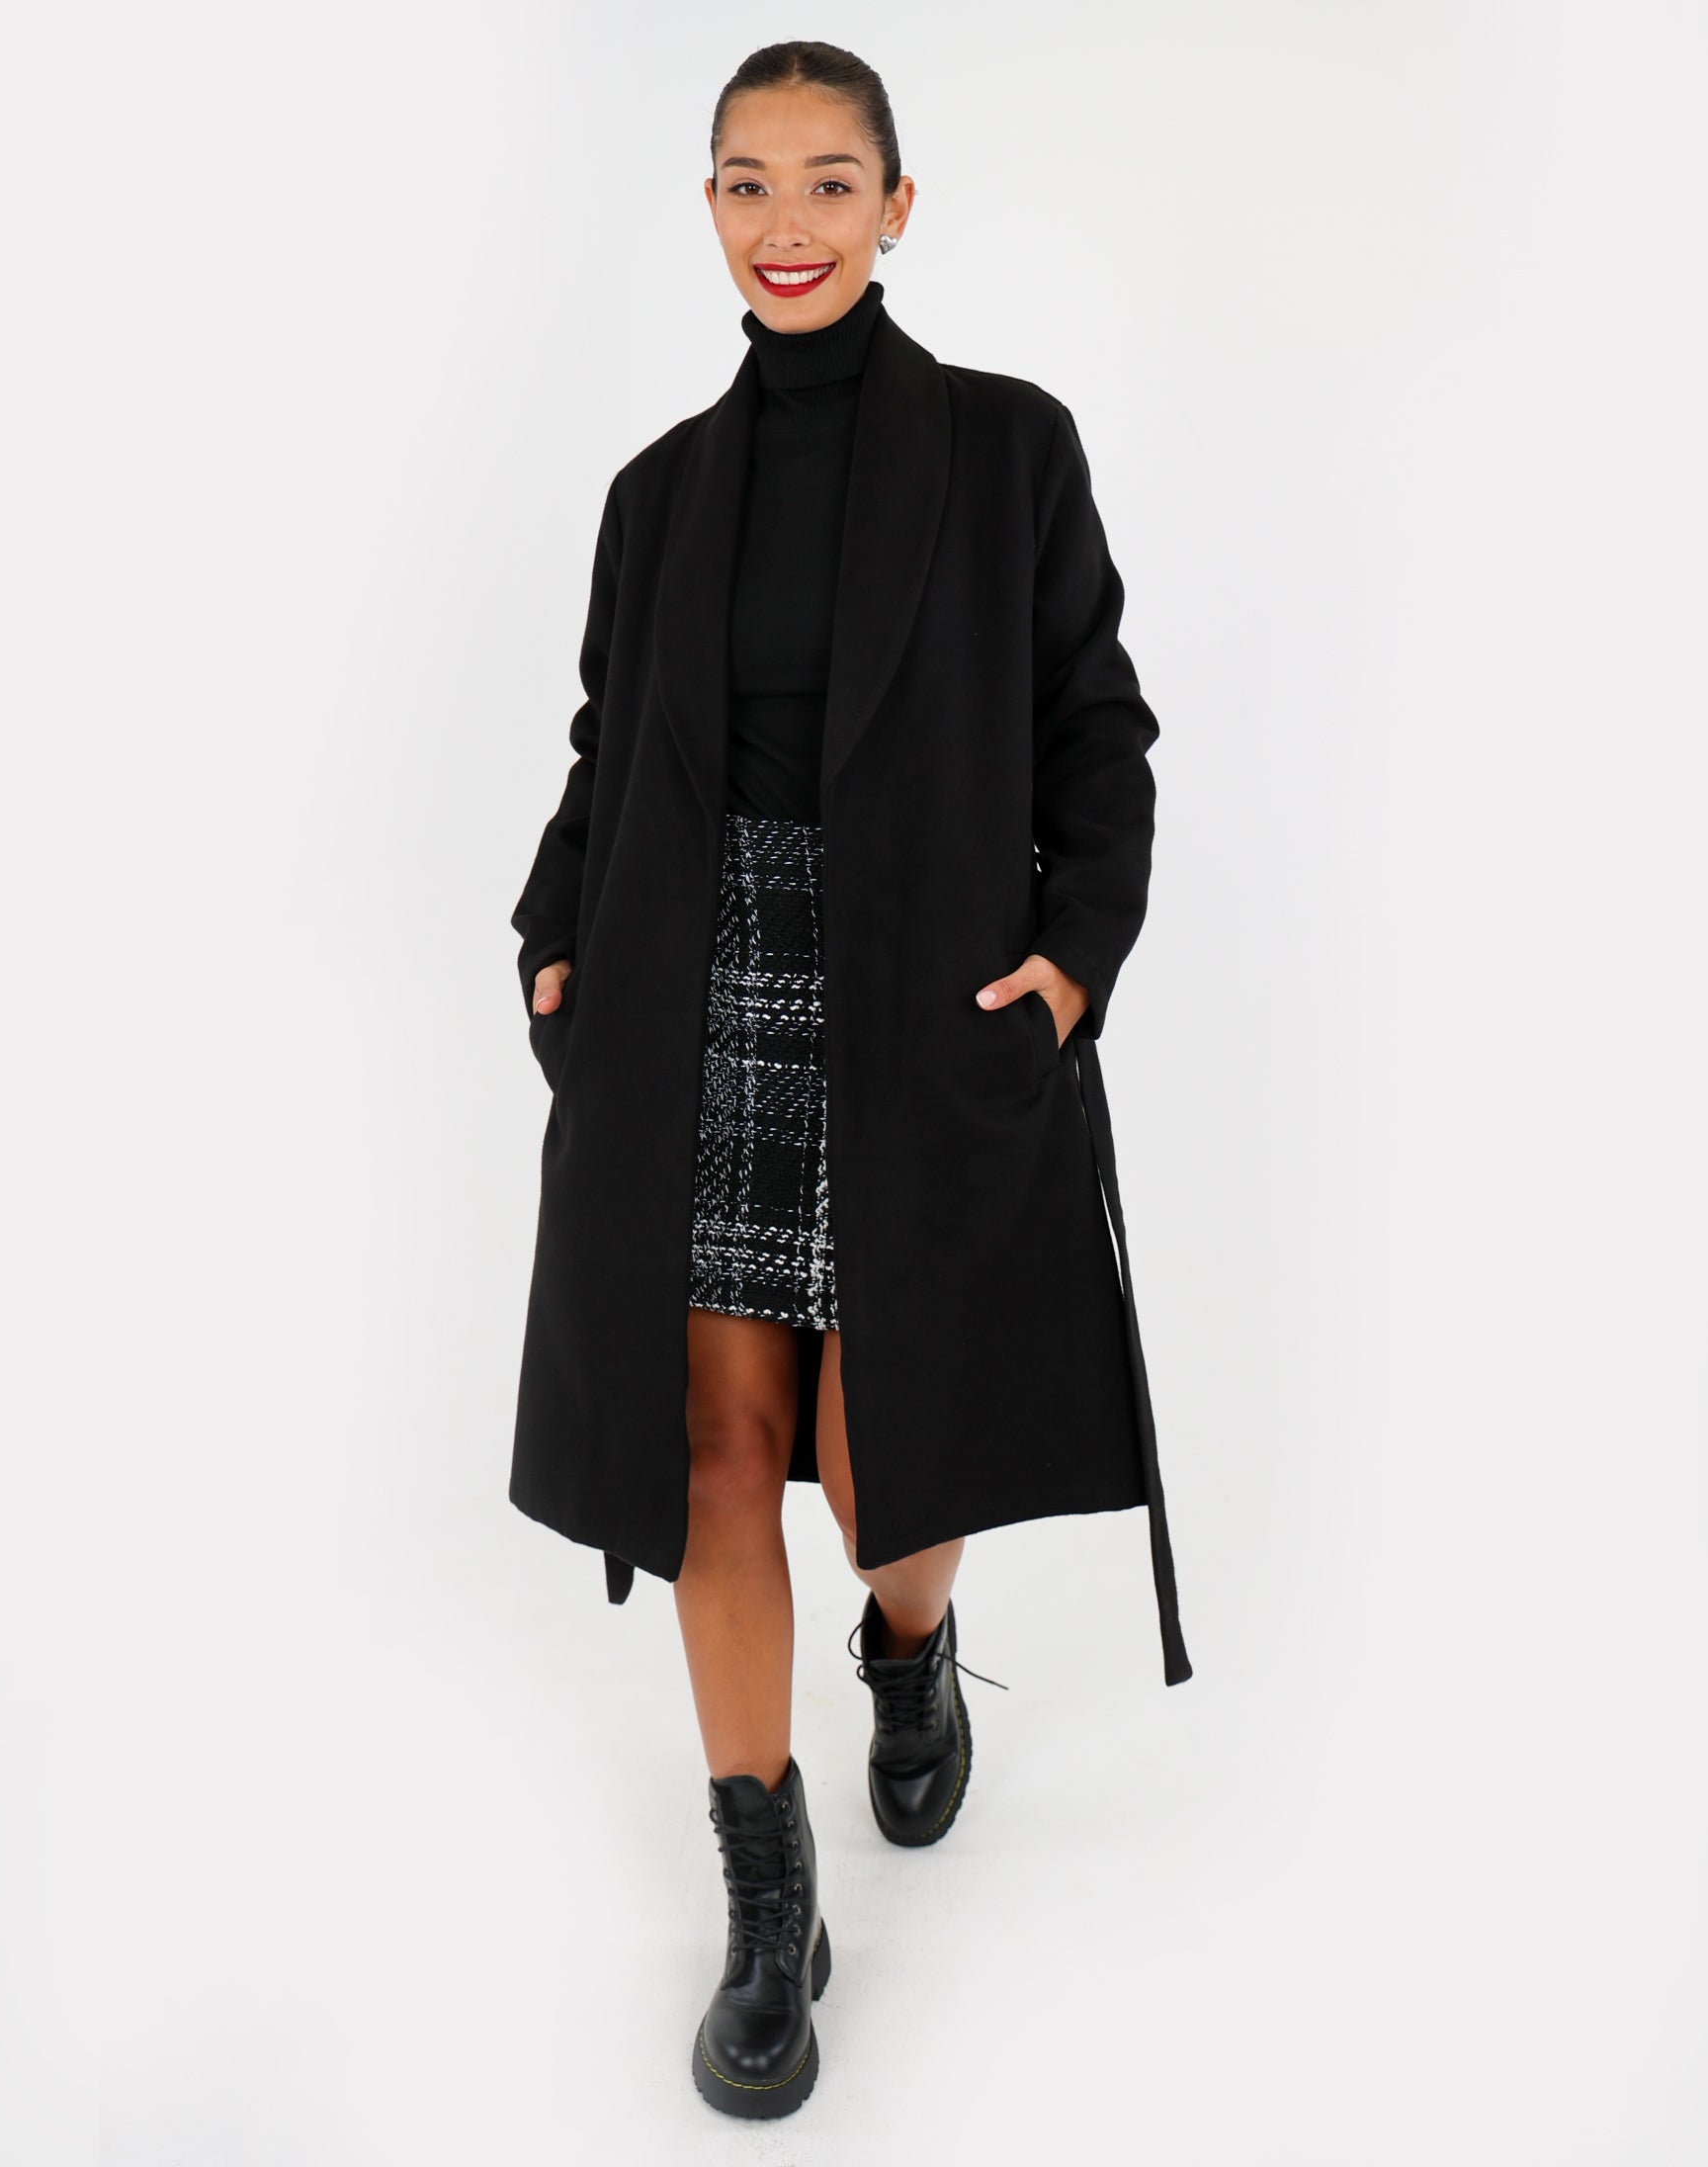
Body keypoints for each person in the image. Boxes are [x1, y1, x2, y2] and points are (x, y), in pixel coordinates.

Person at [508, 39, 1192, 2120]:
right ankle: (764, 1893)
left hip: (923, 989)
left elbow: (1096, 729)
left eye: (827, 182)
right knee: (715, 1457)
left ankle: (906, 1653)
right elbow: (606, 752)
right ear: (708, 209)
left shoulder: (1006, 447)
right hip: (693, 994)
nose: (784, 223)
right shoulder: (656, 494)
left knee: (889, 1452)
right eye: (746, 182)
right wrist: (551, 942)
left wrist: (1070, 966)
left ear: (896, 209)